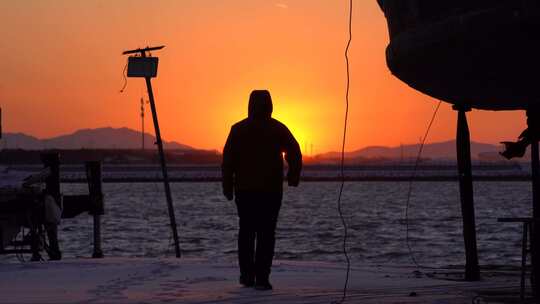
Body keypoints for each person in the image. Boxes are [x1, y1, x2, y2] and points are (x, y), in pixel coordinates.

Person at [222, 90, 302, 290]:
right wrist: (293, 176)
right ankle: (262, 278)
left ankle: (247, 276)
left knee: (247, 233)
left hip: (245, 191)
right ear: (270, 105)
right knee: (266, 234)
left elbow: (227, 162)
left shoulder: (238, 129)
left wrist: (227, 187)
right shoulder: (277, 129)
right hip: (271, 191)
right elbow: (295, 151)